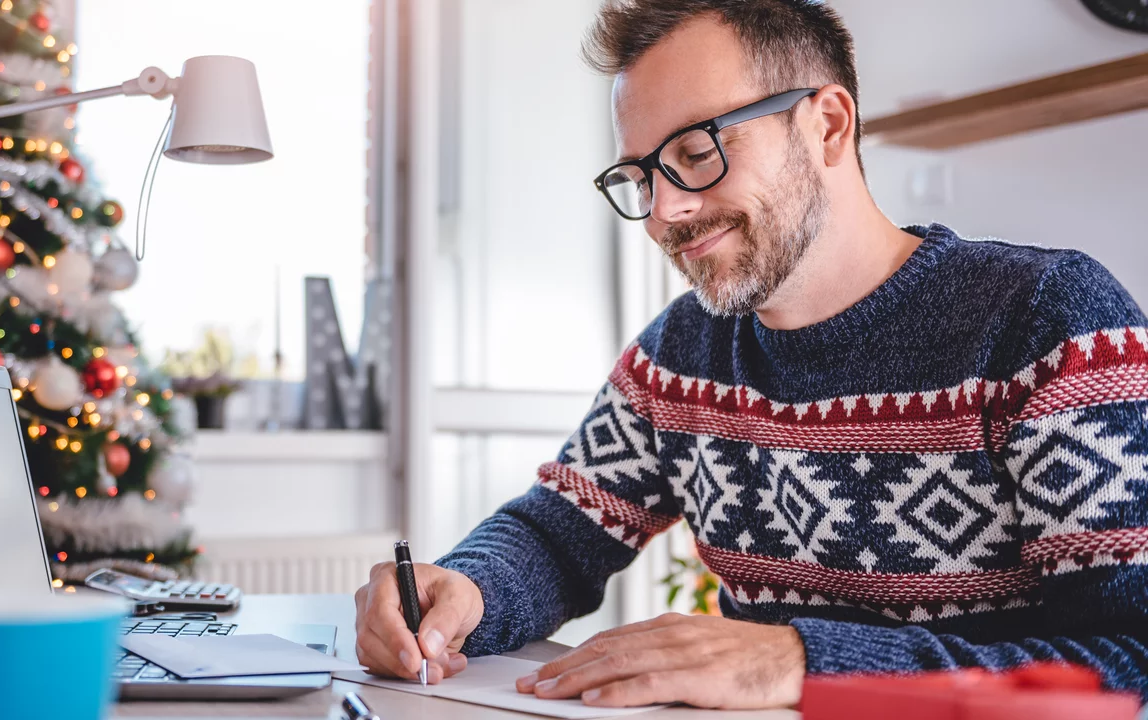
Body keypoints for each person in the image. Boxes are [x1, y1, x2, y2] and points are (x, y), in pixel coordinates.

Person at [354, 0, 1148, 710]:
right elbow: (561, 534)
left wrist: (806, 660)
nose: (665, 211)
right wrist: (463, 588)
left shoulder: (1049, 321)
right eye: (642, 176)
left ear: (828, 124)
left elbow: (1131, 654)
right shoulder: (681, 354)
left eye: (697, 153)